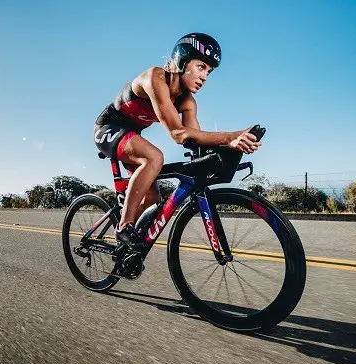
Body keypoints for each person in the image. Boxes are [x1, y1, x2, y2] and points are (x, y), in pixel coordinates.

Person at [94, 33, 262, 251]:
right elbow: (178, 133)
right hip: (108, 127)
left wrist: (228, 151)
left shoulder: (188, 102)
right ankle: (124, 227)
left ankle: (125, 251)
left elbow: (193, 139)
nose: (204, 77)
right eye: (201, 67)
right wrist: (229, 137)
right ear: (183, 61)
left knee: (153, 199)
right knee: (154, 157)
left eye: (209, 72)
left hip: (133, 134)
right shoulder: (154, 77)